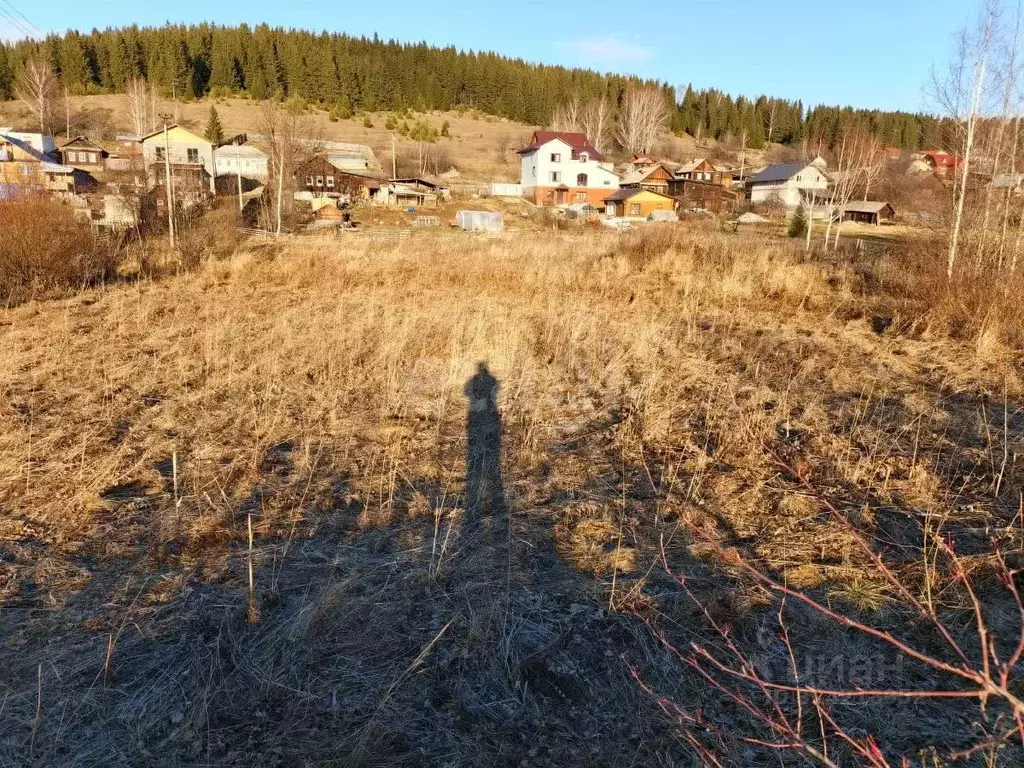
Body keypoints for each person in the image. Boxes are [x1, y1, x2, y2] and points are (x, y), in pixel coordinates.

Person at [464, 362, 506, 518]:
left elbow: (466, 391)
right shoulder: (492, 380)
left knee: (478, 450)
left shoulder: (474, 381)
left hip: (478, 416)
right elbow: (496, 389)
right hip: (487, 415)